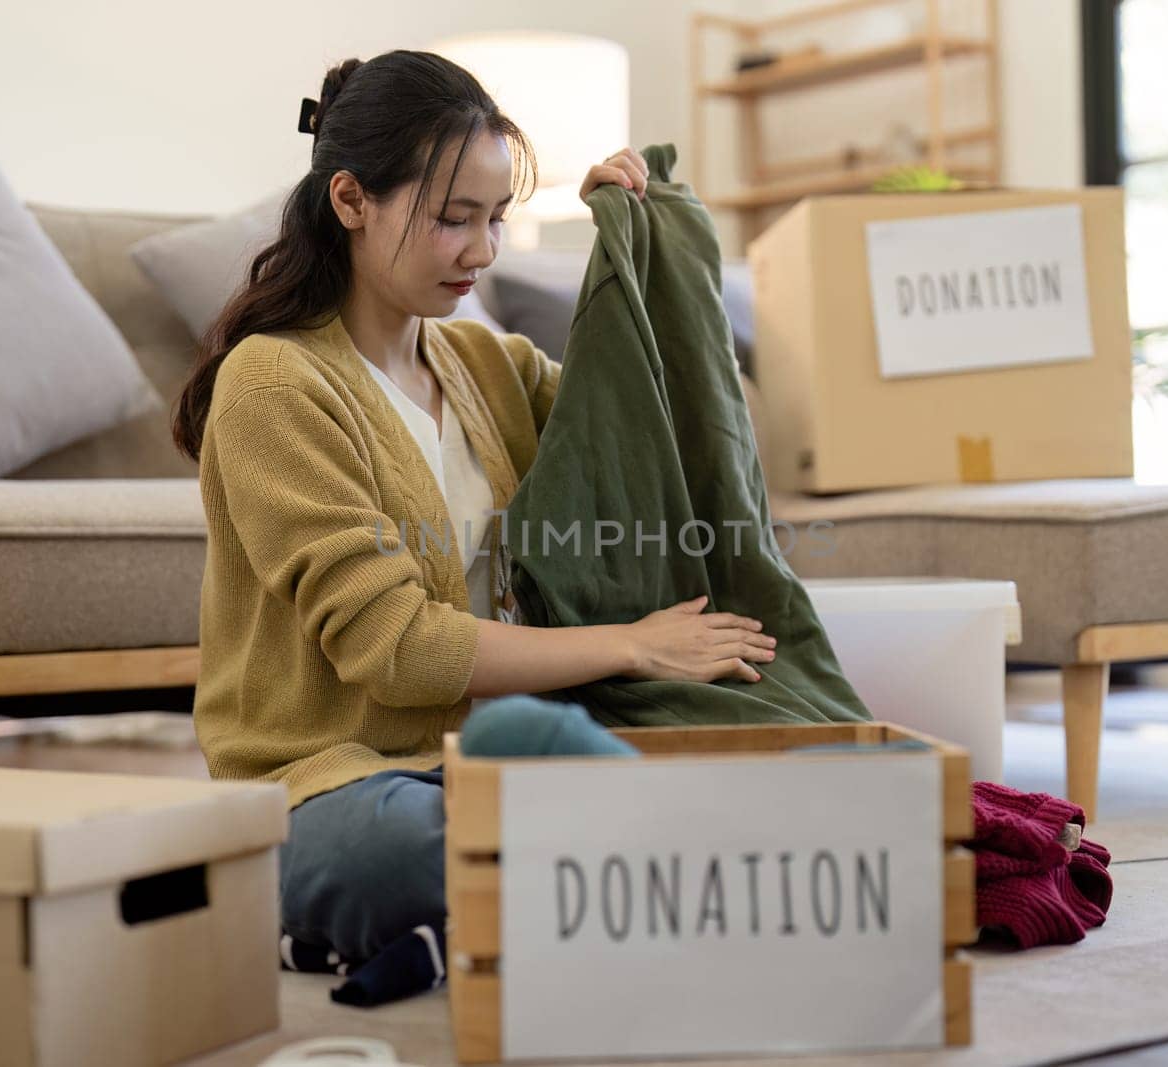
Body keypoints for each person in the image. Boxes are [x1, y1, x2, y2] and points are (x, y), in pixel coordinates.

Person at [169, 51, 780, 979]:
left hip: (498, 760)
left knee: (727, 769)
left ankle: (553, 867)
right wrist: (632, 645)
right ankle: (591, 861)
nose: (484, 252)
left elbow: (636, 427)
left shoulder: (486, 363)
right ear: (348, 200)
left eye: (497, 219)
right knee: (402, 853)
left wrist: (625, 245)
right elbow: (401, 647)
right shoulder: (272, 384)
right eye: (455, 219)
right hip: (337, 782)